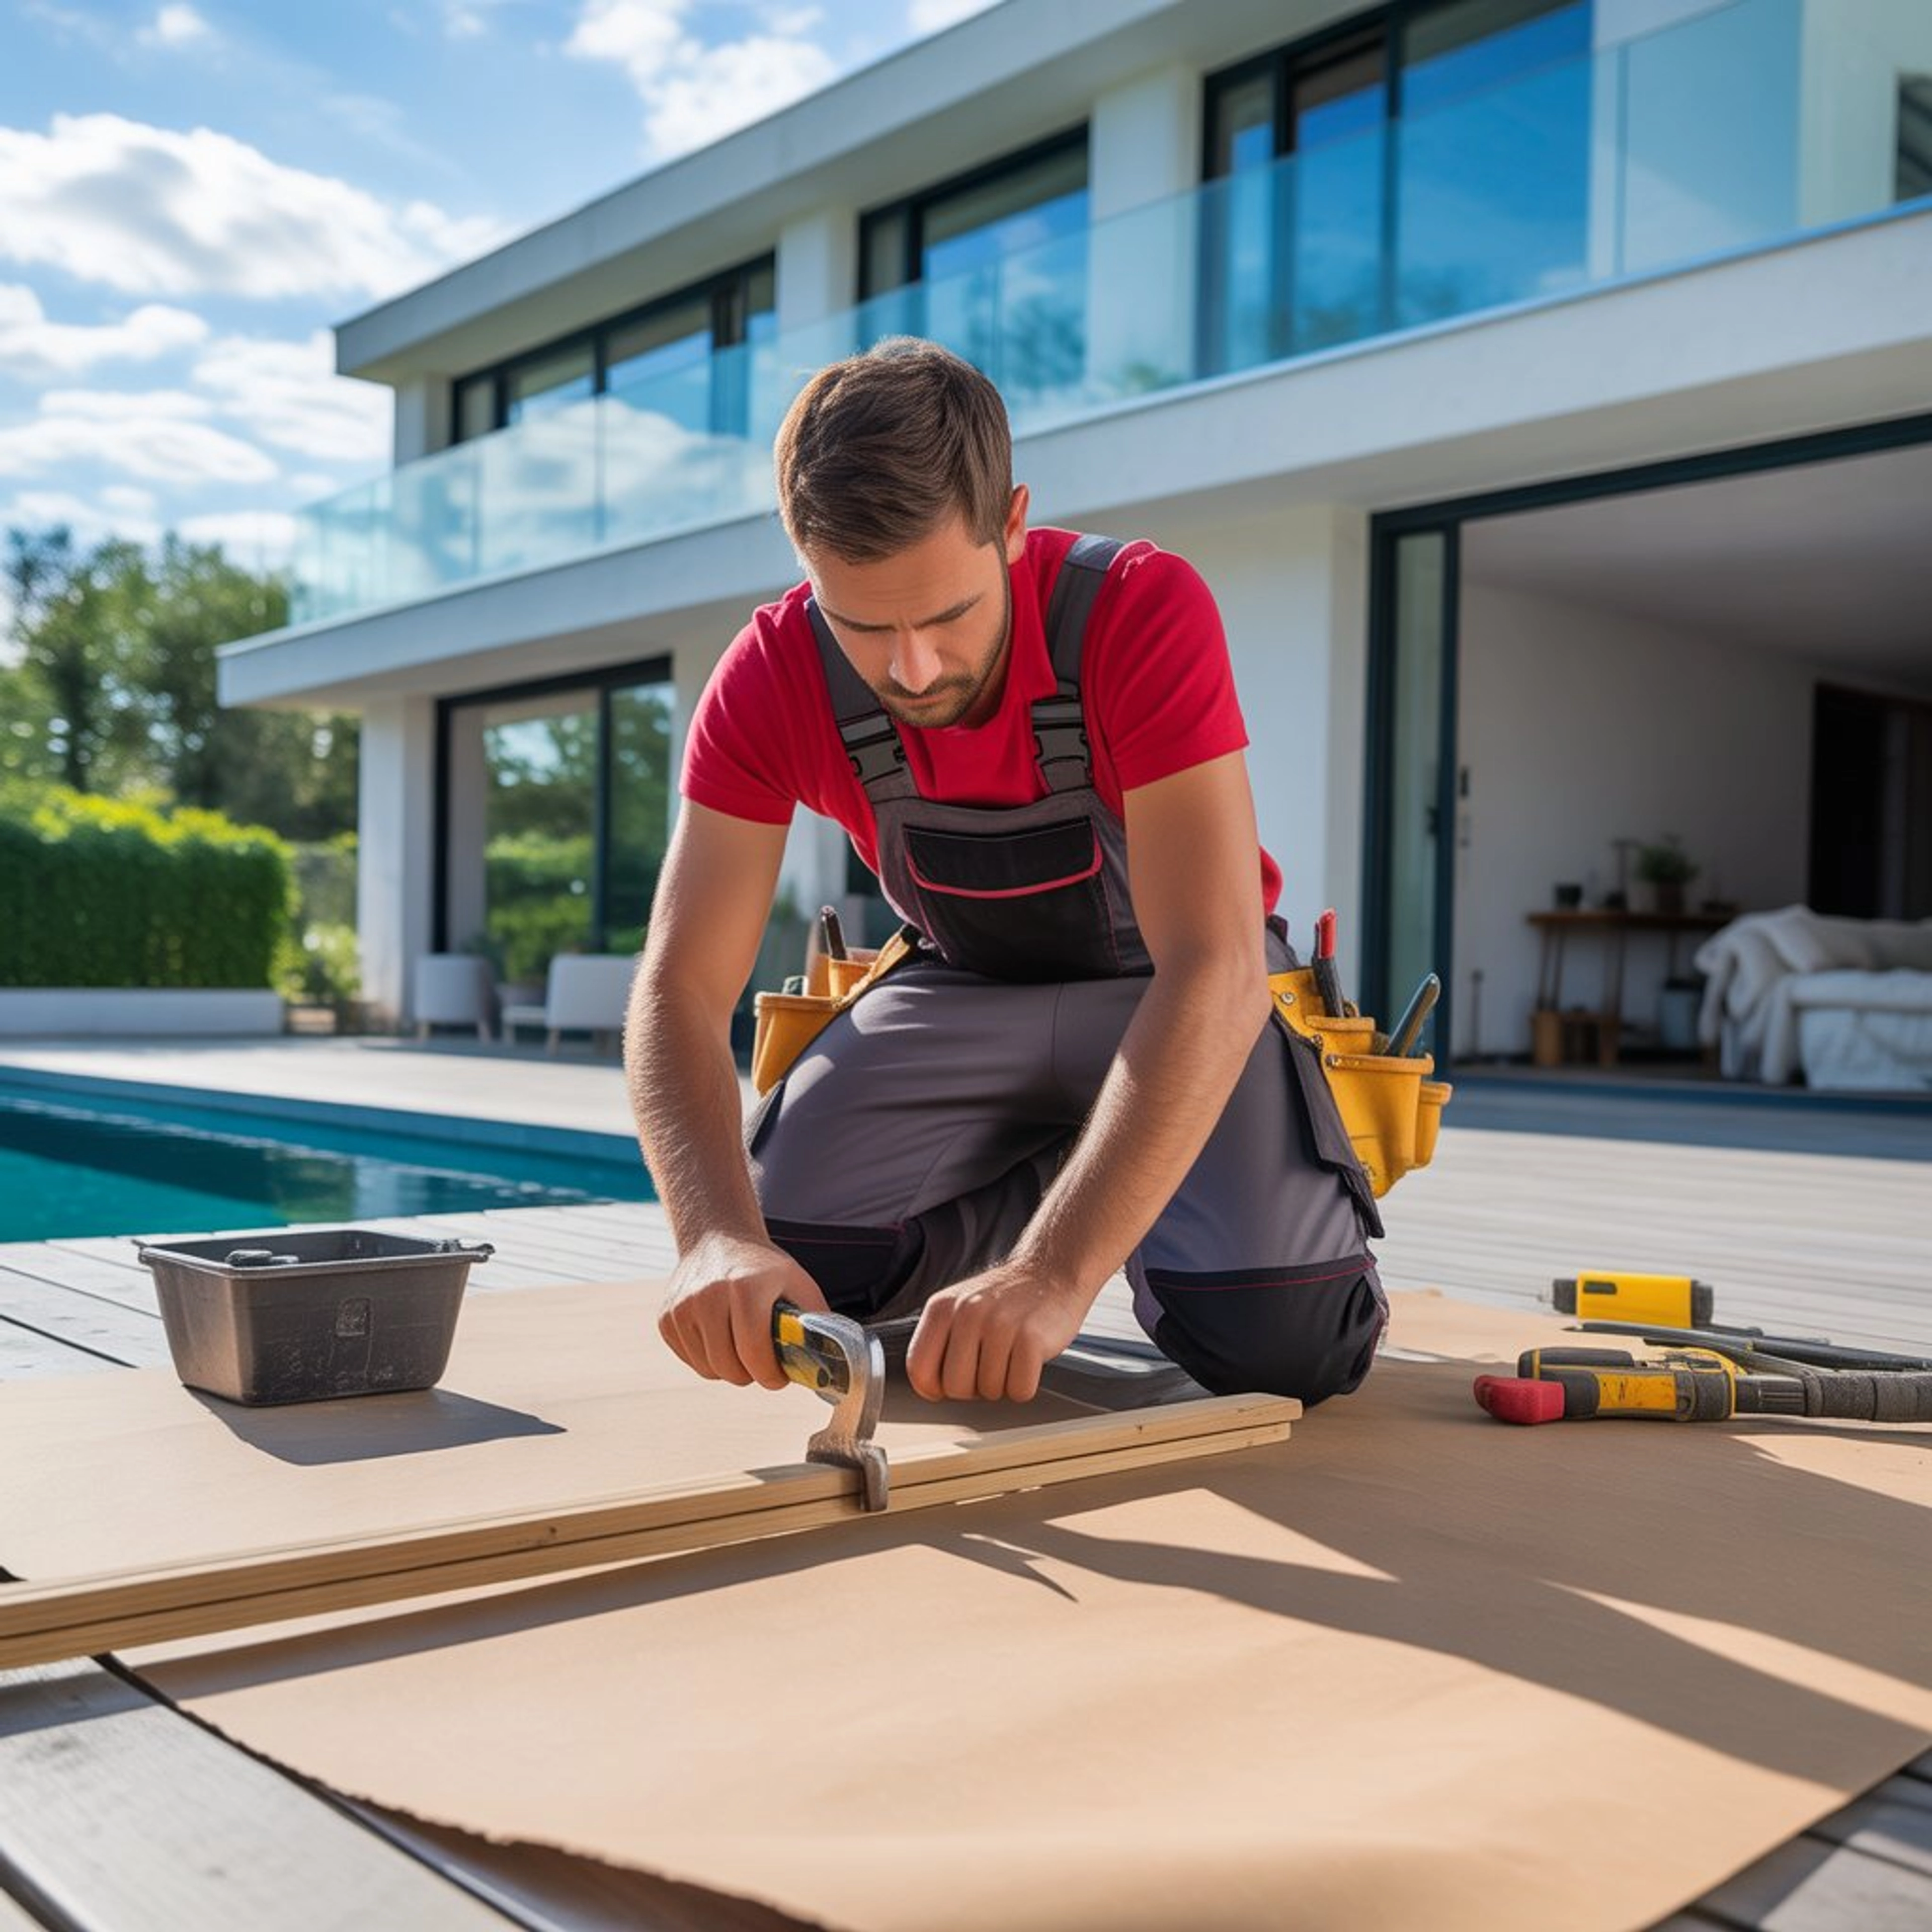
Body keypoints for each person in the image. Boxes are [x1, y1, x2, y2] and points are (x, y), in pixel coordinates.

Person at [627, 338, 1386, 1407]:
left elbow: (1215, 966)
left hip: (1171, 992)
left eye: (946, 616)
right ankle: (1062, 1164)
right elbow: (679, 988)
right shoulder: (765, 676)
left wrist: (1052, 1275)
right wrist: (711, 1239)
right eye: (863, 626)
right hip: (964, 987)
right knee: (790, 1285)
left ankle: (1133, 1195)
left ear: (1014, 522)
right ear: (804, 563)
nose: (912, 669)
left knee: (1280, 1345)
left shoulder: (1139, 607)